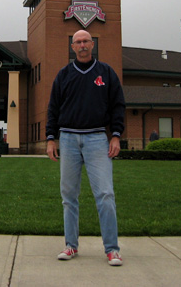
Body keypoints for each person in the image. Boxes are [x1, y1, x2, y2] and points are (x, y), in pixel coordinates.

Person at [46, 29, 125, 267]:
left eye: (85, 41)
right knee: (69, 196)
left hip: (97, 139)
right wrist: (51, 138)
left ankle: (112, 249)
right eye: (77, 42)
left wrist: (116, 136)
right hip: (68, 139)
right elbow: (53, 108)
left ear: (92, 45)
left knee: (105, 194)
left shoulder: (106, 73)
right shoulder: (63, 75)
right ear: (72, 47)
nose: (82, 45)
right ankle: (71, 245)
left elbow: (118, 106)